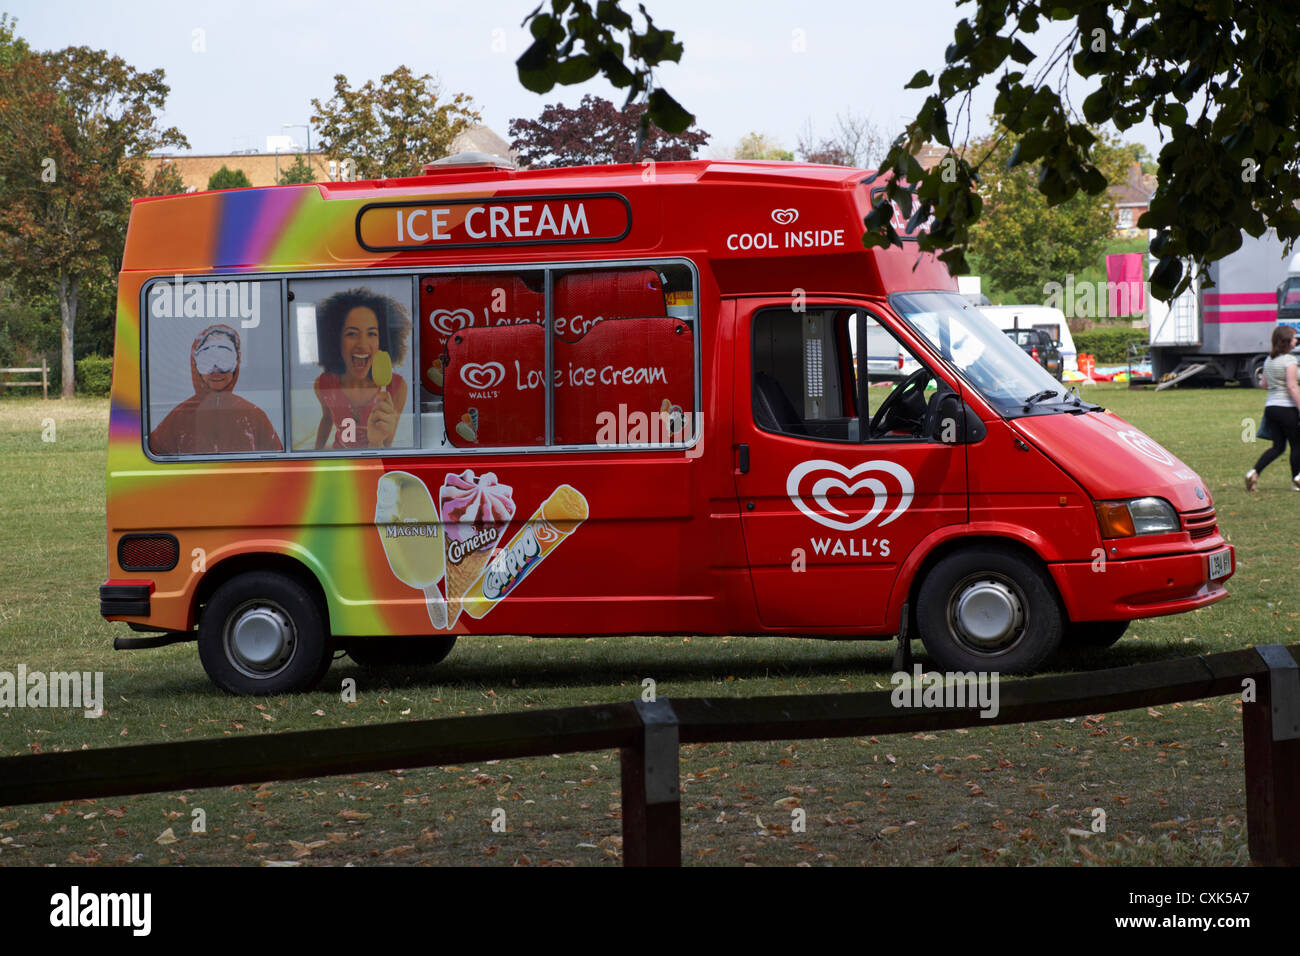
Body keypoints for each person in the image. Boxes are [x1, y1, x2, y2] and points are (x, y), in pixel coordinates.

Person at [150, 324, 283, 455]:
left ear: (236, 364)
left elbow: (276, 466)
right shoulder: (179, 418)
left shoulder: (254, 417)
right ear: (196, 365)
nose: (216, 370)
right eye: (207, 361)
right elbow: (151, 462)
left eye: (225, 359)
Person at [312, 287, 411, 449]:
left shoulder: (397, 388)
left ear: (383, 341)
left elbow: (387, 445)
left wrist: (376, 441)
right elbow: (327, 418)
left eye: (372, 334)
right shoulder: (324, 383)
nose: (362, 344)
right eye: (352, 333)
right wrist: (316, 454)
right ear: (336, 340)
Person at [1246, 324, 1300, 491]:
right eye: (1294, 337)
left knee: (1277, 447)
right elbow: (1292, 387)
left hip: (1271, 408)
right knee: (1297, 445)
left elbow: (1264, 384)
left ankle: (1254, 472)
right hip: (1287, 408)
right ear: (1287, 341)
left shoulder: (1269, 360)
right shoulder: (1290, 361)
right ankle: (1296, 481)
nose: (1296, 339)